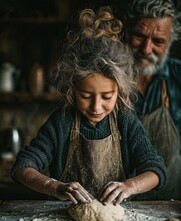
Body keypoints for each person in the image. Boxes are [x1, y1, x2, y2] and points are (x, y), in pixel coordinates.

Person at [11, 7, 167, 205]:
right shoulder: (62, 122)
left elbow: (156, 170)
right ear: (73, 88)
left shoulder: (125, 121)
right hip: (64, 220)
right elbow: (22, 167)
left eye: (107, 96)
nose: (96, 107)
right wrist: (56, 187)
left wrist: (129, 186)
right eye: (85, 96)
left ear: (119, 92)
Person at [124, 0, 181, 199]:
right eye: (139, 36)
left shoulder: (178, 77)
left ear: (171, 42)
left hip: (169, 203)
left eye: (158, 41)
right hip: (115, 202)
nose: (146, 49)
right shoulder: (107, 77)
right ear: (127, 31)